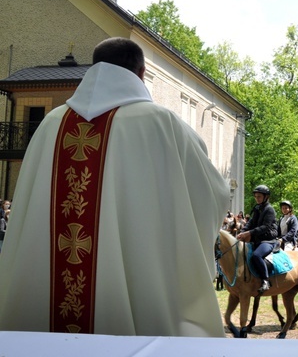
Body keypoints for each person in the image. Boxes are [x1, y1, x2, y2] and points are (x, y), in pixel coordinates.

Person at [0, 38, 227, 336]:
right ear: (142, 72)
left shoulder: (50, 123)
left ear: (94, 69)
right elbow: (213, 194)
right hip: (139, 293)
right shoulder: (162, 124)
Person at [236, 184, 279, 295]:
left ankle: (266, 281)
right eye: (256, 196)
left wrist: (249, 233)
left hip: (268, 241)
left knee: (256, 255)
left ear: (266, 197)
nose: (257, 198)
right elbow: (250, 223)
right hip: (257, 240)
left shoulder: (270, 210)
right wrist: (242, 232)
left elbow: (265, 227)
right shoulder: (257, 208)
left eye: (259, 196)